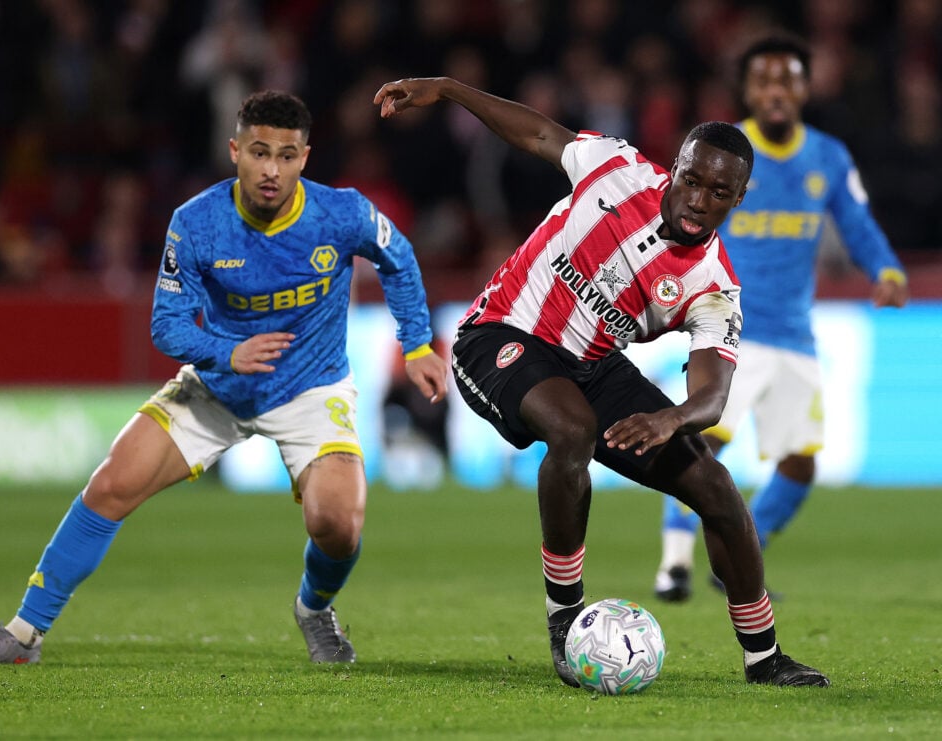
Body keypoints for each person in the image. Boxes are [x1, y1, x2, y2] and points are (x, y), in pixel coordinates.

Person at [0, 90, 449, 666]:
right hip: (218, 385)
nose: (271, 169)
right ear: (234, 151)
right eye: (259, 153)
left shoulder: (343, 213)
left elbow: (398, 258)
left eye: (286, 155)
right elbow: (167, 324)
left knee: (338, 523)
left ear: (305, 159)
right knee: (110, 484)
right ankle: (23, 633)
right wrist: (228, 354)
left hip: (311, 387)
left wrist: (416, 345)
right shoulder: (197, 223)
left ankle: (313, 608)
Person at [374, 76, 829, 688]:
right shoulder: (616, 167)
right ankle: (565, 618)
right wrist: (450, 90)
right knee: (573, 431)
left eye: (718, 193)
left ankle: (765, 656)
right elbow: (536, 132)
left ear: (737, 198)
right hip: (499, 334)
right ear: (676, 169)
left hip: (591, 365)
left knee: (716, 489)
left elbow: (713, 395)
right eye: (692, 181)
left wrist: (670, 419)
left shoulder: (713, 287)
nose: (698, 200)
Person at [652, 34, 909, 604]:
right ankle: (674, 564)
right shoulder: (724, 157)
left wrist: (886, 270)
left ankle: (739, 554)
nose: (775, 91)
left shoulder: (828, 158)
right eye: (763, 80)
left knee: (799, 464)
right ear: (746, 89)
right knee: (700, 445)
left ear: (803, 89)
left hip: (795, 334)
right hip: (729, 327)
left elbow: (858, 224)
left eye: (787, 80)